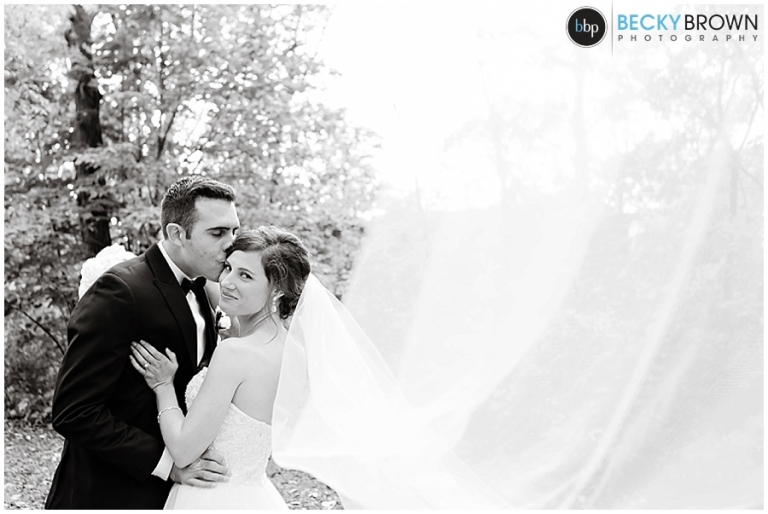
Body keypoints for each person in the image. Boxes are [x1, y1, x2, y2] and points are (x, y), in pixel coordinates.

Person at [46, 176, 240, 509]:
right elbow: (74, 412)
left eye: (234, 231)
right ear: (176, 234)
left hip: (178, 500)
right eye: (218, 233)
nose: (231, 244)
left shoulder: (205, 290)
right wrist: (169, 465)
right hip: (106, 495)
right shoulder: (119, 291)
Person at [130, 227, 310, 509]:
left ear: (278, 289)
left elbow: (183, 451)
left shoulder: (235, 353)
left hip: (211, 497)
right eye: (228, 267)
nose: (227, 281)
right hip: (255, 494)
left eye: (245, 275)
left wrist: (163, 386)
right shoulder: (294, 351)